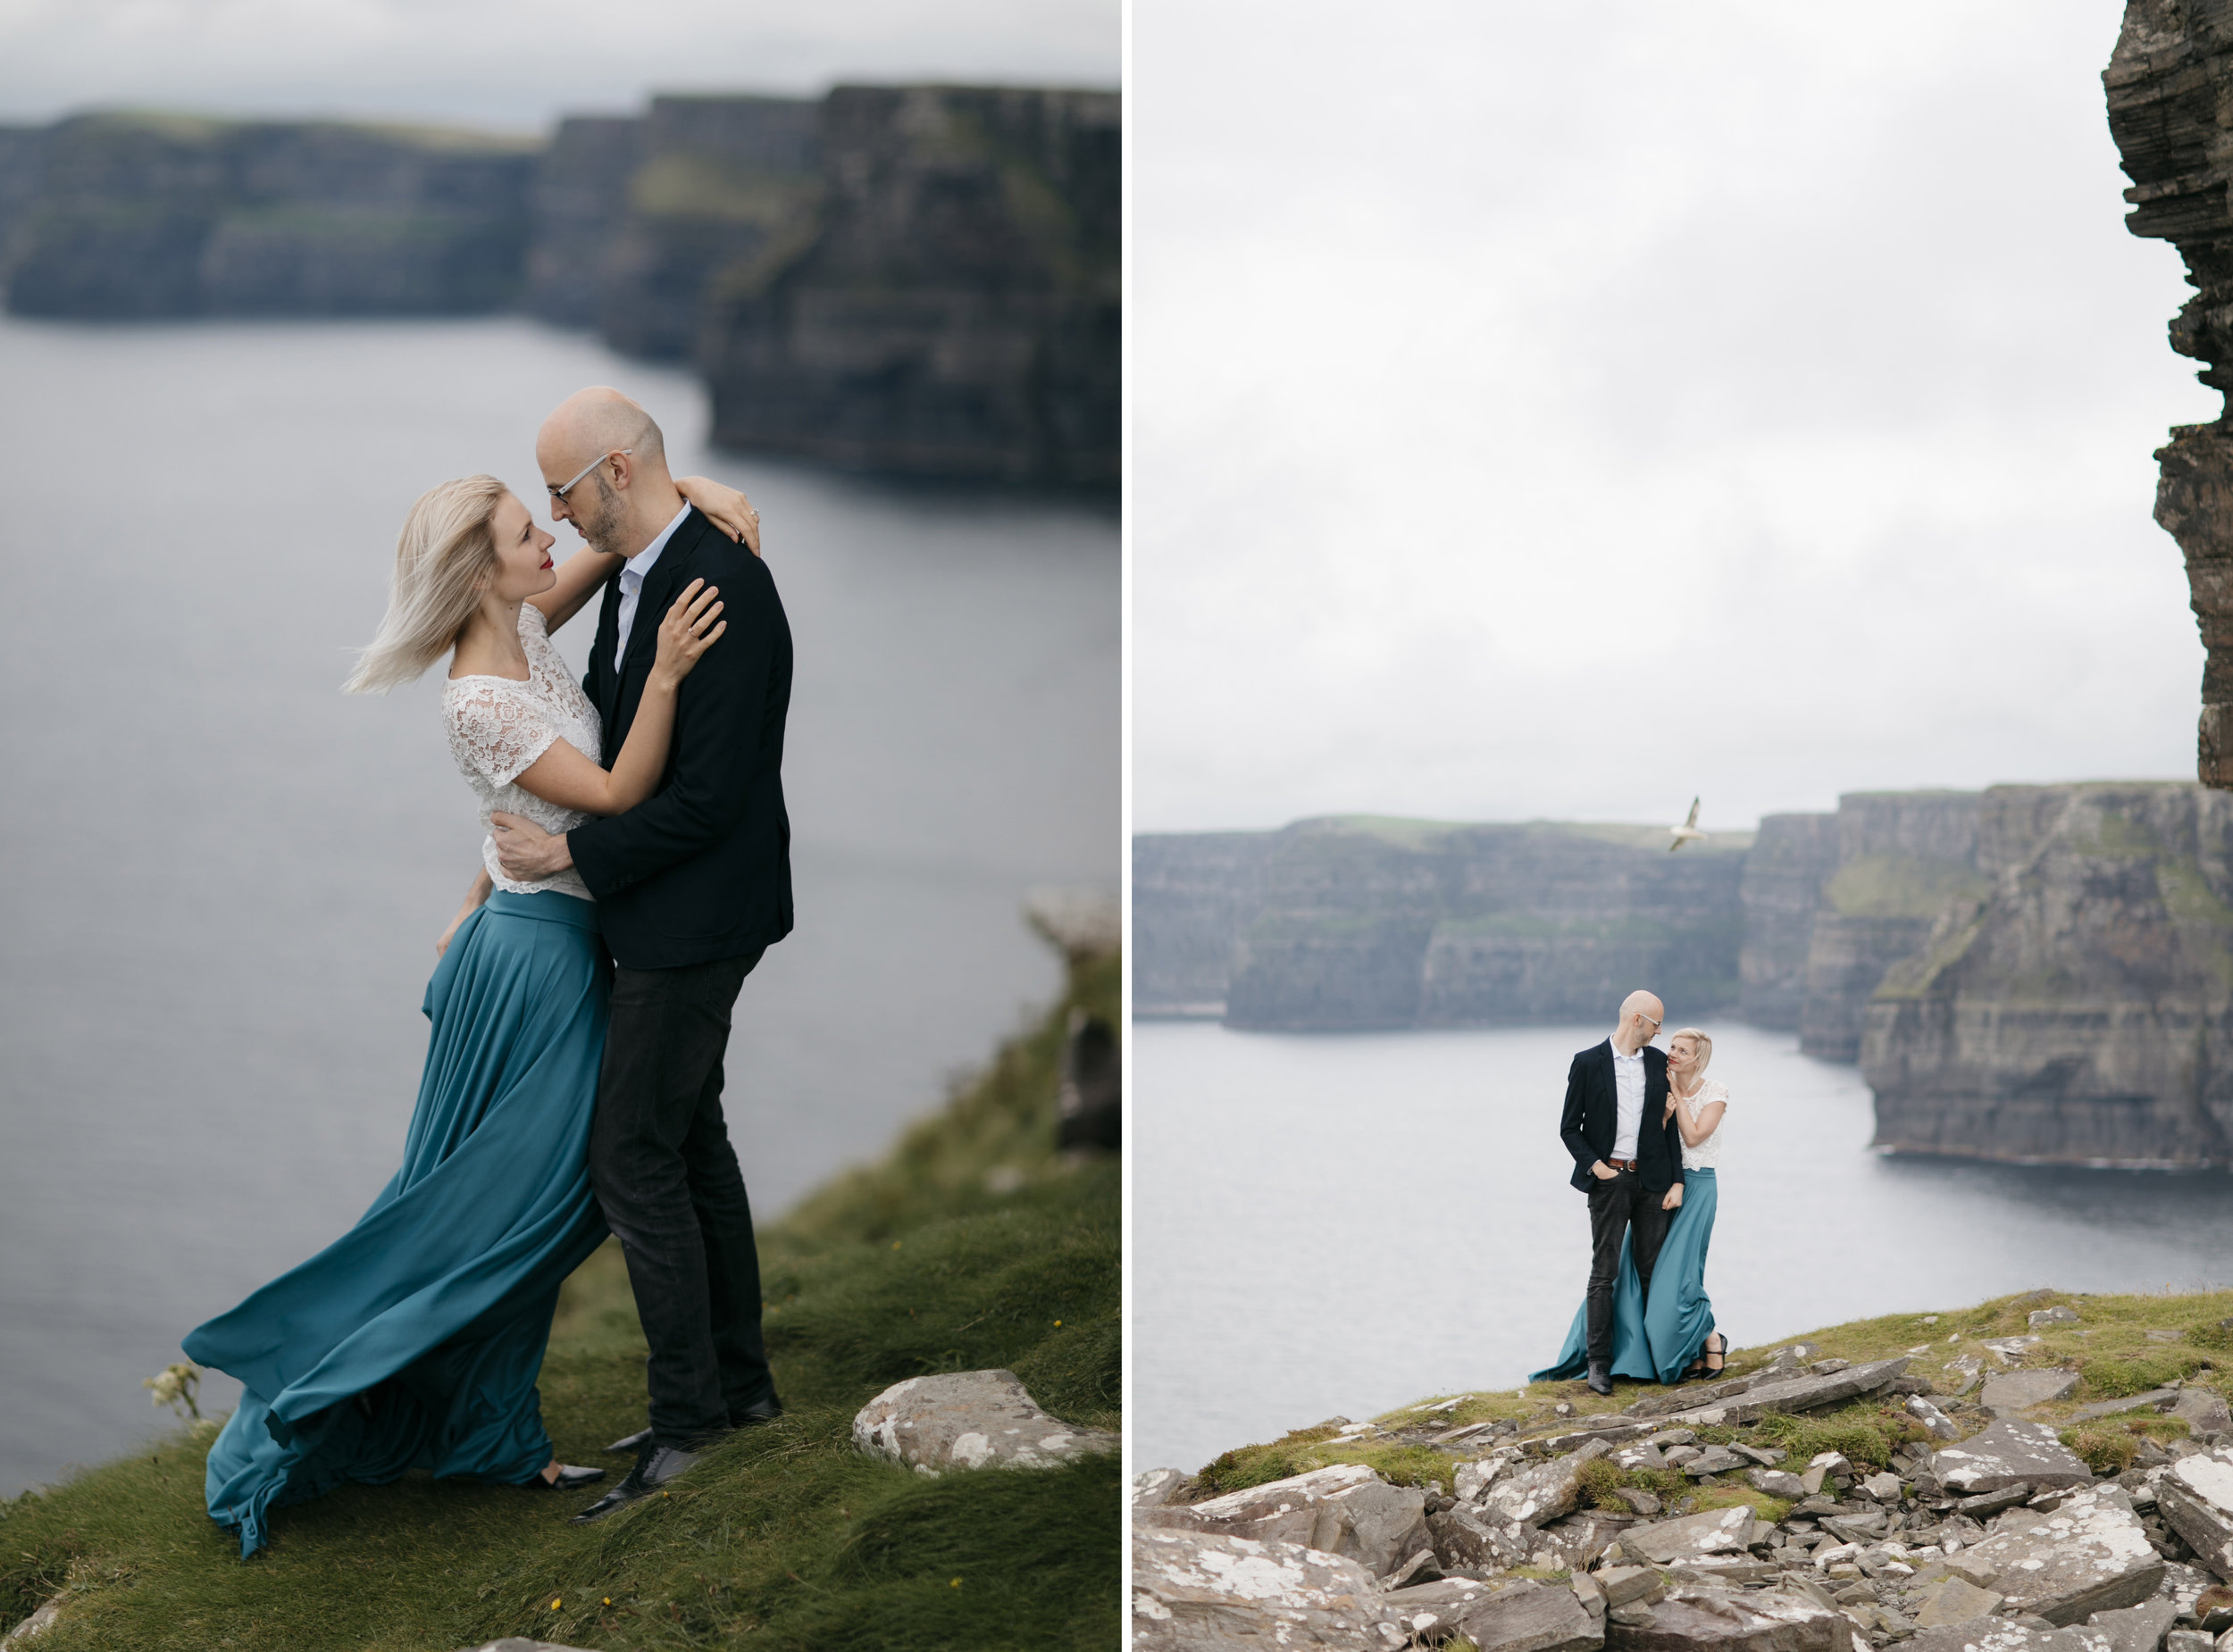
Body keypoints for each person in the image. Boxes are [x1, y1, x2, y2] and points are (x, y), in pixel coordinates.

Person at [182, 460, 759, 1556]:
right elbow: (615, 795)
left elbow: (609, 541)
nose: (550, 535)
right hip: (539, 965)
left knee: (511, 1209)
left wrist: (689, 493)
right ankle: (342, 1397)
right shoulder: (482, 694)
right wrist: (673, 670)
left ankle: (493, 1433)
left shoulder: (524, 623)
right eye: (519, 531)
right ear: (477, 574)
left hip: (539, 939)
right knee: (516, 1208)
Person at [485, 387, 794, 1524]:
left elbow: (710, 799)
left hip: (695, 920)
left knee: (634, 1157)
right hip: (672, 911)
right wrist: (705, 487)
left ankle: (689, 1429)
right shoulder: (648, 566)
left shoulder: (716, 584)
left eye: (562, 491)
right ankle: (737, 1391)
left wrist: (574, 852)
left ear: (614, 473)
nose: (556, 518)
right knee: (690, 1139)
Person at [1530, 990, 1685, 1396]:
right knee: (1605, 1274)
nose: (1659, 1033)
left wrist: (1678, 1181)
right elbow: (1568, 1127)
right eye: (1656, 1024)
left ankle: (1656, 1357)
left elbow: (1666, 1126)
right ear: (1637, 1019)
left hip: (1653, 1184)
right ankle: (1599, 1364)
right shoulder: (1587, 1063)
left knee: (1653, 1273)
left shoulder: (1657, 1063)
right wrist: (1596, 1166)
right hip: (1609, 1182)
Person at [1644, 1027, 1729, 1383]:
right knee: (1659, 1272)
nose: (1673, 1054)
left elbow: (1694, 1138)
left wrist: (1677, 1095)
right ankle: (1693, 1348)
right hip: (1664, 1187)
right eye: (1672, 1047)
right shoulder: (1661, 1088)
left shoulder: (1716, 1092)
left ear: (1697, 1058)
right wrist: (1663, 1115)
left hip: (1699, 1188)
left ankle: (1711, 1339)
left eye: (1682, 1050)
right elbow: (1656, 1137)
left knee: (1685, 1273)